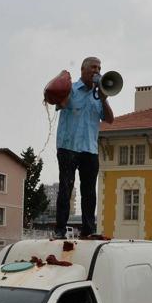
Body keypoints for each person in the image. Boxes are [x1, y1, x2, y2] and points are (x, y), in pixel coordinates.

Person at [54, 56, 115, 239]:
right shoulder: (71, 89)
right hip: (68, 146)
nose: (97, 71)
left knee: (89, 191)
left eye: (99, 67)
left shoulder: (99, 94)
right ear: (83, 70)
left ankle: (88, 229)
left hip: (90, 148)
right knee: (66, 188)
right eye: (93, 67)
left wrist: (103, 98)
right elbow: (59, 104)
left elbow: (110, 119)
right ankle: (60, 229)